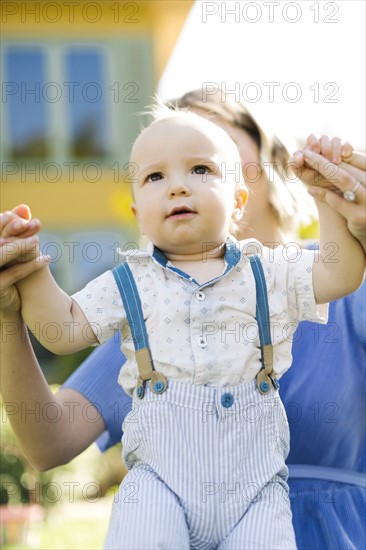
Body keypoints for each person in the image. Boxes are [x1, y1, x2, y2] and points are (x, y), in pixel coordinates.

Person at [1, 91, 365, 549]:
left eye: (201, 167)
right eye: (155, 174)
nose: (177, 185)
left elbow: (341, 273)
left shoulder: (272, 274)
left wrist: (328, 199)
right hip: (161, 485)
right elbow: (64, 329)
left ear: (240, 196)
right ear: (137, 213)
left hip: (260, 496)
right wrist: (29, 271)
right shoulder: (135, 297)